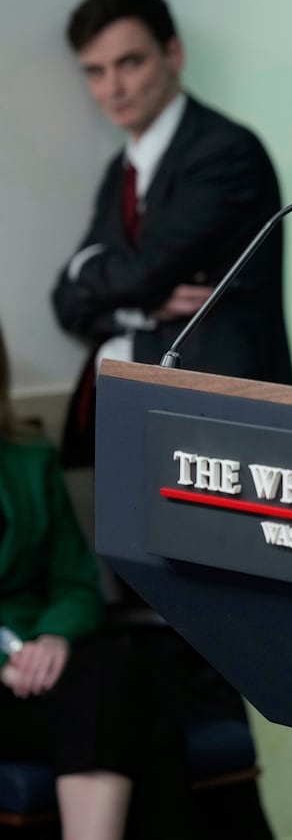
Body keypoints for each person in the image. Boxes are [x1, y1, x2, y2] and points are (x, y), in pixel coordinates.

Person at [51, 0, 292, 470]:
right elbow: (65, 302)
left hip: (216, 422)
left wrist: (86, 271)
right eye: (95, 72)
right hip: (127, 423)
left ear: (173, 54)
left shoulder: (224, 151)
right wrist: (138, 307)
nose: (113, 88)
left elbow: (142, 273)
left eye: (129, 63)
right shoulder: (123, 169)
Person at [0, 318, 140, 839]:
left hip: (42, 671)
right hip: (10, 677)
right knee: (132, 712)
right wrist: (6, 661)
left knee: (116, 680)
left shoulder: (29, 459)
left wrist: (53, 636)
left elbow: (77, 582)